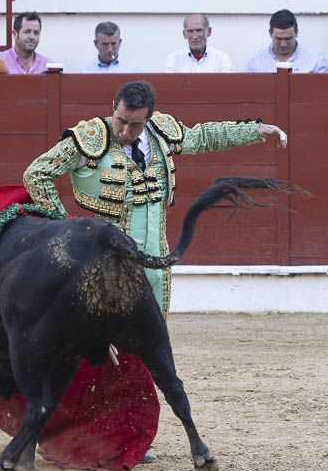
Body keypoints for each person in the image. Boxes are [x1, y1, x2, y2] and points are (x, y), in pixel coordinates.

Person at [22, 79, 287, 313]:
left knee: (154, 329)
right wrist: (64, 226)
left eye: (135, 125)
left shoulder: (160, 134)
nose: (125, 131)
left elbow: (202, 138)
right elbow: (36, 173)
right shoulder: (89, 137)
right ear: (114, 106)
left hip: (157, 254)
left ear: (148, 118)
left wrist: (255, 131)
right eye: (121, 120)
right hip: (106, 252)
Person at [245, 8, 328, 73]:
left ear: (296, 33)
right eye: (278, 39)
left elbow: (327, 89)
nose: (283, 44)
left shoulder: (316, 62)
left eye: (288, 39)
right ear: (270, 33)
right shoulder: (255, 63)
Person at [163, 13, 234, 73]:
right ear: (184, 34)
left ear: (209, 31)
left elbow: (227, 84)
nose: (195, 36)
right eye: (190, 31)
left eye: (199, 30)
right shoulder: (174, 60)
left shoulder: (222, 60)